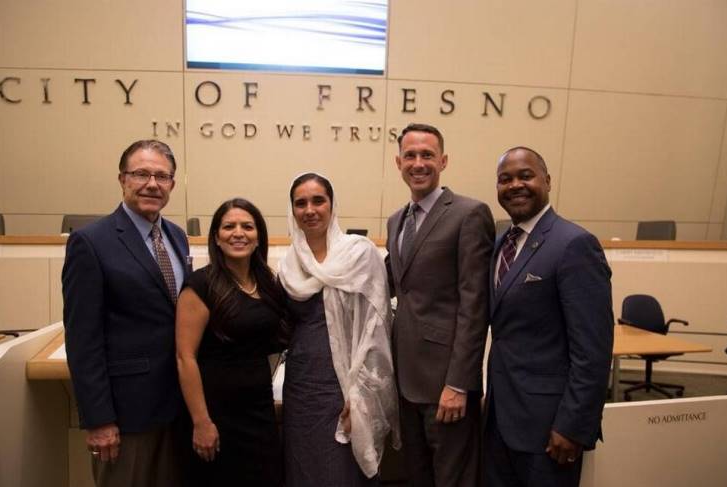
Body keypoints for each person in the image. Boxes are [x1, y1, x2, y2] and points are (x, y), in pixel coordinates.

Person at [62, 139, 191, 487]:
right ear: (122, 179)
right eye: (141, 174)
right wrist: (99, 419)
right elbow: (82, 340)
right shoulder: (90, 242)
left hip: (176, 409)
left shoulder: (177, 237)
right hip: (124, 416)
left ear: (172, 185)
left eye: (162, 176)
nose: (152, 183)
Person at [485, 146, 613, 487]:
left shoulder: (574, 244)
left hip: (549, 427)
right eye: (505, 179)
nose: (515, 185)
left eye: (525, 176)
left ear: (547, 181)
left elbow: (593, 350)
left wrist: (573, 425)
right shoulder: (501, 243)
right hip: (500, 419)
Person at [386, 123, 494, 487]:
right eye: (411, 155)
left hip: (446, 383)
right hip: (406, 379)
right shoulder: (396, 220)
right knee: (417, 475)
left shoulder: (469, 214)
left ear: (443, 161)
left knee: (453, 478)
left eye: (427, 155)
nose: (419, 163)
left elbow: (473, 305)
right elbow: (394, 282)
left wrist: (460, 384)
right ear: (398, 162)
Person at [279, 172, 400, 486]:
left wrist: (361, 396)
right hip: (301, 388)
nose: (310, 209)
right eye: (300, 203)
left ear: (332, 206)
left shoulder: (359, 254)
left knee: (342, 472)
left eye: (318, 200)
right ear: (292, 211)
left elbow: (376, 330)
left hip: (345, 386)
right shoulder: (288, 265)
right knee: (303, 468)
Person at [175, 198, 285, 486]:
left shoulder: (267, 283)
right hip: (216, 415)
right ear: (216, 237)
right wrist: (201, 422)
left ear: (258, 235)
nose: (239, 233)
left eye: (247, 226)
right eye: (229, 226)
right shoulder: (201, 285)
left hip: (260, 411)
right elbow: (184, 357)